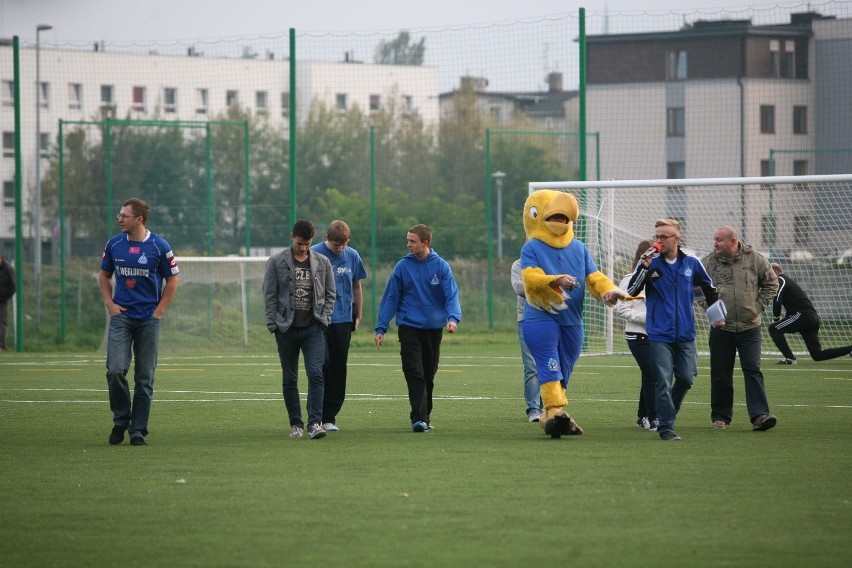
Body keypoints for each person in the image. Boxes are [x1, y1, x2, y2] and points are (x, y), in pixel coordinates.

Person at [520, 189, 626, 439]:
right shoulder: (532, 247)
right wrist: (556, 279)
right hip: (540, 318)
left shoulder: (579, 248)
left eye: (562, 216)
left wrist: (608, 291)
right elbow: (530, 278)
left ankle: (550, 417)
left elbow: (594, 277)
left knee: (563, 371)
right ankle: (556, 411)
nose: (559, 220)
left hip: (573, 321)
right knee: (549, 367)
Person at [627, 219, 720, 441]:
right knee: (662, 380)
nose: (658, 241)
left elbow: (709, 289)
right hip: (659, 334)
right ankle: (666, 427)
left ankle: (667, 412)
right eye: (656, 236)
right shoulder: (650, 263)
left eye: (663, 237)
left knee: (687, 378)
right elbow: (632, 289)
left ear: (676, 239)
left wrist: (718, 317)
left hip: (686, 333)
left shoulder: (692, 263)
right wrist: (644, 268)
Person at [99, 197, 180, 446]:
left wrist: (158, 312)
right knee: (115, 371)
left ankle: (138, 431)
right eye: (119, 214)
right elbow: (103, 275)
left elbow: (173, 280)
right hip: (121, 318)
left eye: (124, 215)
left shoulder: (159, 246)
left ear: (139, 219)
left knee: (144, 377)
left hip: (148, 320)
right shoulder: (114, 244)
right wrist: (110, 304)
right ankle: (121, 420)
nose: (119, 219)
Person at [374, 224, 462, 433]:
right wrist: (381, 327)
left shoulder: (441, 267)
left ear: (426, 243)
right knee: (414, 371)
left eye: (412, 241)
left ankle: (425, 416)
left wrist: (453, 319)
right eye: (408, 240)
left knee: (428, 373)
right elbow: (391, 298)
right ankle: (419, 418)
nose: (408, 244)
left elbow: (451, 295)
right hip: (408, 327)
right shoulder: (402, 267)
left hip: (433, 329)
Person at [263, 219, 336, 440]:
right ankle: (296, 424)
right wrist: (272, 323)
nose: (303, 248)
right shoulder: (276, 262)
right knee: (290, 378)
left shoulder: (322, 262)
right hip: (286, 329)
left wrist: (324, 317)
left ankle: (315, 423)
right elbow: (269, 294)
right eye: (299, 243)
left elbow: (330, 293)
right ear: (292, 237)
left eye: (307, 244)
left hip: (314, 328)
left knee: (316, 374)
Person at [701, 225, 778, 432]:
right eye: (714, 239)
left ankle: (760, 416)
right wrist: (712, 312)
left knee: (753, 370)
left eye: (719, 240)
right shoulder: (707, 263)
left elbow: (772, 283)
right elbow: (697, 290)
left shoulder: (756, 259)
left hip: (750, 327)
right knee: (720, 373)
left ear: (733, 241)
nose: (715, 243)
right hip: (721, 329)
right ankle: (720, 418)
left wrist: (757, 306)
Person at [311, 220, 367, 432]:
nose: (340, 249)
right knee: (320, 366)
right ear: (327, 239)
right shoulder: (314, 253)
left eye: (343, 244)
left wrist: (358, 313)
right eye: (336, 245)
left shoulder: (352, 255)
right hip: (319, 320)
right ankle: (316, 416)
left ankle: (330, 417)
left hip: (343, 319)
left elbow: (356, 285)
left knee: (338, 368)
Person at [769, 262, 852, 364]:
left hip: (803, 316)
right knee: (817, 355)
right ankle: (850, 349)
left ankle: (790, 358)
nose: (766, 275)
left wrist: (776, 319)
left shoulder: (780, 279)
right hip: (811, 318)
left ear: (775, 272)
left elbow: (777, 300)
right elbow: (790, 307)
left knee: (773, 328)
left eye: (768, 272)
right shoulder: (788, 282)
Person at [615, 240, 657, 431]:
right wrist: (648, 318)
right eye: (651, 256)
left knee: (651, 375)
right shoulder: (629, 279)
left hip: (657, 335)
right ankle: (653, 417)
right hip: (637, 335)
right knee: (651, 373)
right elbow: (621, 308)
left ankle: (643, 416)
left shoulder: (658, 279)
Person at [511, 257, 542, 422]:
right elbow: (519, 288)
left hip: (548, 319)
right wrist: (544, 284)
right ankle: (534, 409)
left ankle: (547, 406)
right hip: (526, 319)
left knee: (550, 365)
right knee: (531, 366)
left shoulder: (548, 261)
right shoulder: (518, 264)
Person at [0, 254, 16, 353]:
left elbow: (13, 287)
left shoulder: (8, 269)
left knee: (2, 322)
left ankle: (1, 346)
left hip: (3, 300)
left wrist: (3, 298)